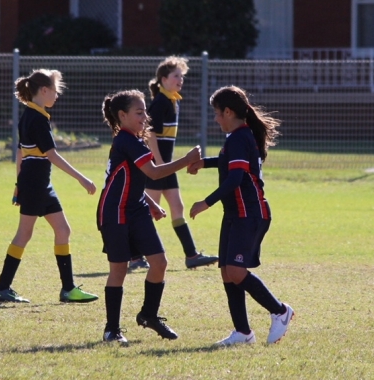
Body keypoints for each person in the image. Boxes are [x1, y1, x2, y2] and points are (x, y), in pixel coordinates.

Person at [188, 86, 293, 346]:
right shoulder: (238, 135)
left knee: (235, 270)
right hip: (236, 214)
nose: (215, 119)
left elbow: (235, 178)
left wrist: (206, 202)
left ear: (228, 111)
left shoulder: (239, 137)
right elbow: (232, 163)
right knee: (227, 272)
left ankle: (280, 311)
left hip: (250, 213)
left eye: (217, 113)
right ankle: (243, 333)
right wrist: (206, 163)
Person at [97, 89, 201, 343]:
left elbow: (133, 180)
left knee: (159, 262)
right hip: (115, 212)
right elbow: (153, 173)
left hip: (137, 209)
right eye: (139, 112)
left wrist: (151, 202)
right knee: (119, 269)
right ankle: (112, 329)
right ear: (122, 115)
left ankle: (149, 315)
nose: (145, 116)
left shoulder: (136, 140)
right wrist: (186, 160)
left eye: (145, 111)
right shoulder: (126, 140)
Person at [0, 69, 99, 304]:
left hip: (37, 183)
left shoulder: (30, 114)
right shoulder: (37, 118)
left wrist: (19, 183)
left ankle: (67, 288)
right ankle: (3, 287)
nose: (57, 95)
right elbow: (52, 155)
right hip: (36, 183)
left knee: (62, 230)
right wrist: (81, 178)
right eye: (56, 91)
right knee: (25, 233)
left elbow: (20, 152)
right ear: (44, 90)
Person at [129, 57, 218, 271]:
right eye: (176, 76)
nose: (181, 79)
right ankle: (134, 256)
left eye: (182, 76)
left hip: (167, 166)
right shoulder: (160, 102)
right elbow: (149, 134)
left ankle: (191, 255)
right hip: (159, 166)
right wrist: (158, 163)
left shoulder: (171, 100)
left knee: (177, 207)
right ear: (164, 79)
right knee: (145, 211)